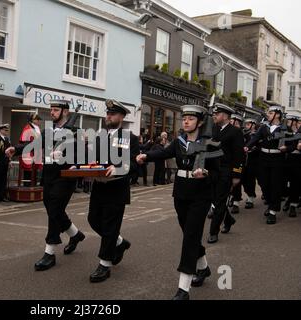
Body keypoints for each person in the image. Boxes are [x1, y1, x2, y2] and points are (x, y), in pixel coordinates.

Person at [137, 105, 219, 300]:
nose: (186, 121)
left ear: (200, 122)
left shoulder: (211, 144)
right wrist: (146, 156)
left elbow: (219, 172)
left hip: (201, 196)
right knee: (190, 233)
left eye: (191, 119)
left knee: (190, 236)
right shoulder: (179, 142)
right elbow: (164, 153)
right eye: (185, 118)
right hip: (181, 194)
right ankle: (204, 268)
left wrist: (206, 172)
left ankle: (183, 288)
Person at [6, 99, 85, 272]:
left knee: (55, 209)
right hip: (49, 177)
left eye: (56, 110)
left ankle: (49, 253)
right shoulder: (49, 131)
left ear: (65, 112)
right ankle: (75, 235)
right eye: (51, 109)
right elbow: (34, 144)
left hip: (66, 177)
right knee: (52, 209)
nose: (52, 112)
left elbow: (83, 154)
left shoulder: (76, 131)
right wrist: (16, 149)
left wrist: (70, 158)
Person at [85, 99, 140, 283]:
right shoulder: (99, 136)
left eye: (113, 113)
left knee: (110, 226)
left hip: (117, 189)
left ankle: (105, 265)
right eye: (107, 113)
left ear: (122, 117)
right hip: (99, 186)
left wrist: (118, 169)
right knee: (93, 220)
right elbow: (90, 158)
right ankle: (119, 242)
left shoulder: (129, 138)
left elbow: (133, 165)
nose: (108, 116)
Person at [208, 104, 244, 244]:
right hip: (212, 170)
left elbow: (239, 155)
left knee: (220, 201)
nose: (215, 116)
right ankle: (228, 220)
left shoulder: (235, 132)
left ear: (225, 116)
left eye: (217, 114)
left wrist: (237, 175)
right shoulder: (213, 128)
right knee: (214, 200)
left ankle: (213, 232)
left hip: (226, 171)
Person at [245, 106, 287, 224]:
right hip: (263, 158)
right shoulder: (264, 127)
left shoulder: (284, 128)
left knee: (275, 184)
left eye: (271, 113)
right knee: (264, 183)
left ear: (277, 115)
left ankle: (273, 210)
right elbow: (256, 138)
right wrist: (247, 146)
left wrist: (287, 148)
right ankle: (270, 203)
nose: (268, 114)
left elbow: (293, 143)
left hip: (277, 159)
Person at [281, 114, 301, 217]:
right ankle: (289, 200)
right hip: (287, 159)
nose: (288, 122)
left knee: (295, 183)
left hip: (298, 160)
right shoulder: (286, 132)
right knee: (284, 182)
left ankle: (293, 205)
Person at [19, 114, 43, 187]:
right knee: (28, 172)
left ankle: (33, 186)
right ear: (33, 120)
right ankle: (27, 187)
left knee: (34, 171)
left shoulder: (37, 128)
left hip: (36, 153)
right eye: (37, 120)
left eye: (39, 120)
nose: (39, 121)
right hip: (29, 153)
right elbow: (24, 141)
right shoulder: (28, 128)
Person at [229, 114, 244, 214]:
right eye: (232, 122)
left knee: (236, 183)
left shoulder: (240, 134)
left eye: (237, 123)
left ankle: (236, 202)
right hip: (225, 162)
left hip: (237, 162)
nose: (234, 125)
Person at [242, 118, 259, 209]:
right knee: (244, 179)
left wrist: (255, 149)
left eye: (248, 124)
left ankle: (250, 198)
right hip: (244, 160)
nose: (246, 126)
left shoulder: (258, 134)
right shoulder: (243, 133)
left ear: (253, 125)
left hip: (254, 160)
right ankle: (248, 194)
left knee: (250, 179)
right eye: (246, 124)